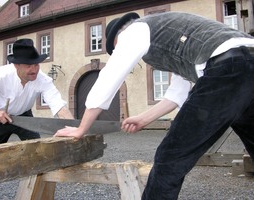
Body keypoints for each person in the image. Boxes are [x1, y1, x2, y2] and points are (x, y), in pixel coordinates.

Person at [55, 11, 254, 199]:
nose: (117, 51)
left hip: (228, 68)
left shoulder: (134, 31)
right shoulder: (170, 36)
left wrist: (81, 128)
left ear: (118, 37)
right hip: (247, 60)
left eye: (115, 48)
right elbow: (178, 93)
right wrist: (144, 119)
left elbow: (109, 77)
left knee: (170, 158)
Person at [0, 38, 73, 200]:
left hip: (24, 116)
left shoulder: (42, 79)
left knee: (38, 151)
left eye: (36, 65)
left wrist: (73, 127)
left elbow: (58, 105)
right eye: (29, 66)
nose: (34, 70)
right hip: (0, 117)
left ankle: (40, 191)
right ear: (16, 65)